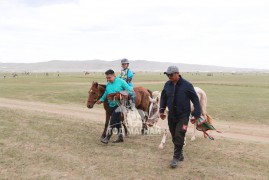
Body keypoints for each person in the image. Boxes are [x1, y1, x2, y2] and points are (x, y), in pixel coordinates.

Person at [159, 66, 201, 168]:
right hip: (171, 116)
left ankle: (175, 158)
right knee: (174, 136)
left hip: (183, 116)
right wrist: (161, 109)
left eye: (171, 75)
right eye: (167, 75)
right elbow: (163, 97)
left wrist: (196, 114)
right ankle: (180, 154)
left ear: (177, 73)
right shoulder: (167, 85)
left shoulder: (187, 85)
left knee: (179, 134)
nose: (169, 77)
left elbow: (195, 100)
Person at [96, 69, 133, 144]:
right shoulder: (108, 83)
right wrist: (101, 100)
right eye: (107, 78)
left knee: (112, 121)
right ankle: (120, 137)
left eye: (109, 77)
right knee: (117, 122)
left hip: (120, 105)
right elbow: (106, 92)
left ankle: (107, 138)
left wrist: (120, 94)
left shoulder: (121, 81)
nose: (108, 79)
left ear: (113, 76)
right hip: (111, 105)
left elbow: (130, 91)